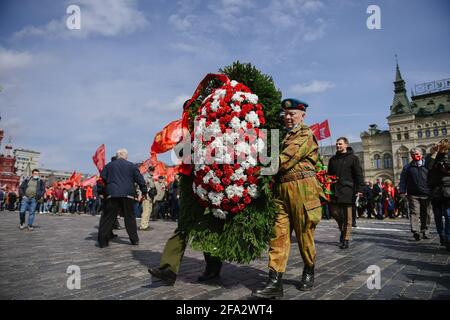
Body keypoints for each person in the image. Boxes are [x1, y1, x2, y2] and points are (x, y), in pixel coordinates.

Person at [252, 98, 324, 299]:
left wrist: (257, 171)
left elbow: (286, 159)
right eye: (286, 115)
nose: (288, 118)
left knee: (304, 235)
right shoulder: (284, 137)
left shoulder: (305, 134)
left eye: (292, 114)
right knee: (278, 235)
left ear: (303, 115)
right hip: (282, 189)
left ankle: (309, 270)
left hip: (302, 189)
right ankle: (275, 281)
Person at [97, 148, 147, 248]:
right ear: (126, 156)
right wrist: (144, 191)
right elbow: (140, 180)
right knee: (129, 217)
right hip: (127, 194)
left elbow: (101, 180)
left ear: (117, 156)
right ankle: (134, 240)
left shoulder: (109, 166)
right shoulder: (131, 166)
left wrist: (101, 191)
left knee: (108, 218)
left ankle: (103, 241)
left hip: (112, 194)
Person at [327, 137, 364, 249]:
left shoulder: (353, 158)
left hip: (348, 190)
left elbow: (358, 175)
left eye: (340, 144)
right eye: (337, 144)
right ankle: (343, 230)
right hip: (335, 190)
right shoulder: (332, 159)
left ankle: (346, 238)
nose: (338, 146)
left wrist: (359, 190)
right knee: (334, 212)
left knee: (348, 217)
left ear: (346, 145)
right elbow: (329, 175)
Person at [399, 148, 431, 241]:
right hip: (413, 194)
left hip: (426, 193)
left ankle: (425, 230)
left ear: (421, 154)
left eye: (416, 154)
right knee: (414, 212)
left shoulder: (427, 165)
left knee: (426, 213)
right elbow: (403, 181)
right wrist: (402, 191)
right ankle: (416, 231)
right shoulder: (407, 167)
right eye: (412, 154)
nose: (414, 156)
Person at [427, 139, 450, 250]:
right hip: (435, 190)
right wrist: (434, 153)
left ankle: (448, 237)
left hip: (447, 189)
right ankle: (441, 235)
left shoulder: (448, 156)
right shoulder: (431, 156)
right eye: (441, 147)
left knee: (448, 215)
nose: (442, 150)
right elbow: (428, 166)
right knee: (437, 216)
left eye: (444, 148)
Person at [139, 166, 156, 231]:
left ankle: (146, 224)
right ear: (148, 170)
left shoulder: (150, 177)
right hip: (146, 195)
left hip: (150, 195)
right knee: (146, 210)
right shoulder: (145, 176)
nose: (152, 171)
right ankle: (143, 226)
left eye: (153, 170)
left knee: (149, 210)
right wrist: (141, 195)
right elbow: (141, 186)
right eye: (151, 170)